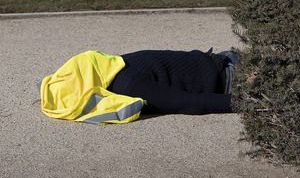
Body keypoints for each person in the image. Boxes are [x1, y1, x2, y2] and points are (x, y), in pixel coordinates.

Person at [40, 47, 237, 125]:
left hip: (230, 77)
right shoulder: (113, 66)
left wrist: (243, 103)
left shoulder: (129, 86)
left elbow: (188, 103)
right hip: (221, 61)